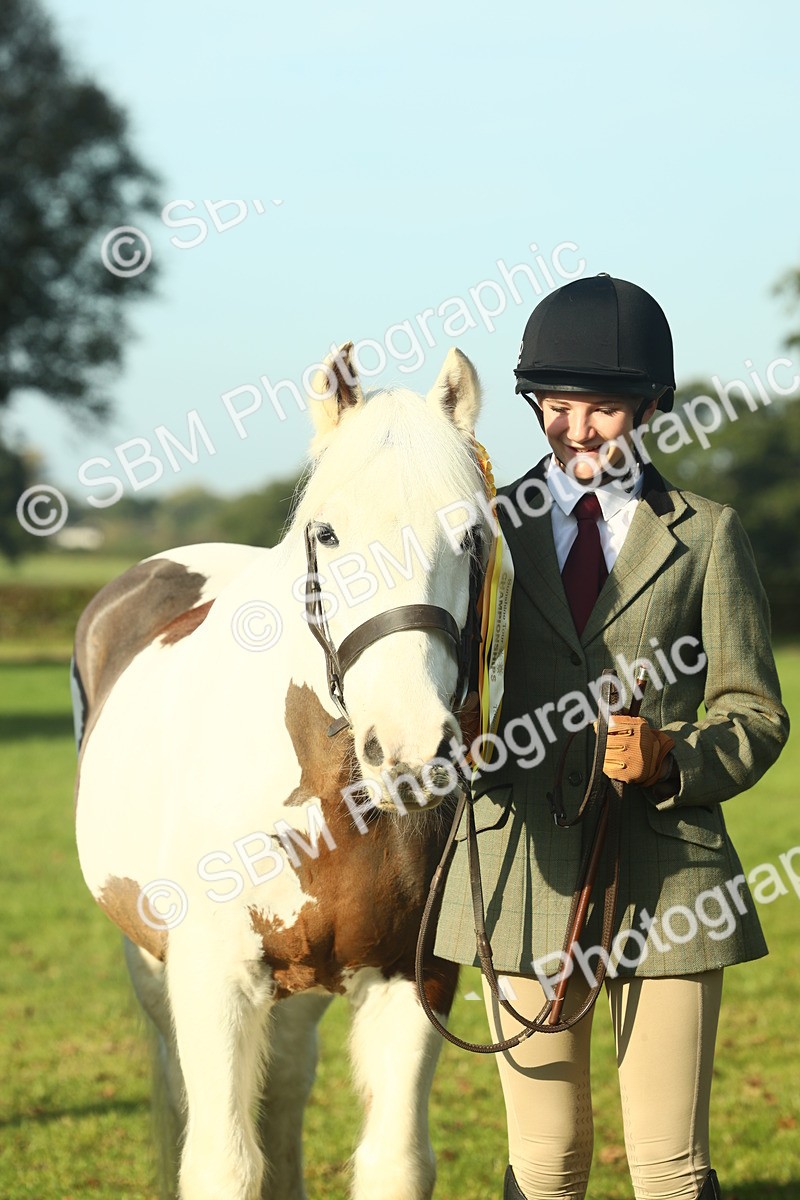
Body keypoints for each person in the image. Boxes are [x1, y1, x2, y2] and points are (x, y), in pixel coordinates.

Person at [433, 274, 789, 1200]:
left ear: (652, 410)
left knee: (670, 1167)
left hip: (669, 876)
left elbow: (756, 712)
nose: (576, 430)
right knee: (545, 1163)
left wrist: (677, 760)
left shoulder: (708, 535)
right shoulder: (483, 534)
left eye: (601, 410)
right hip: (521, 870)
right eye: (555, 407)